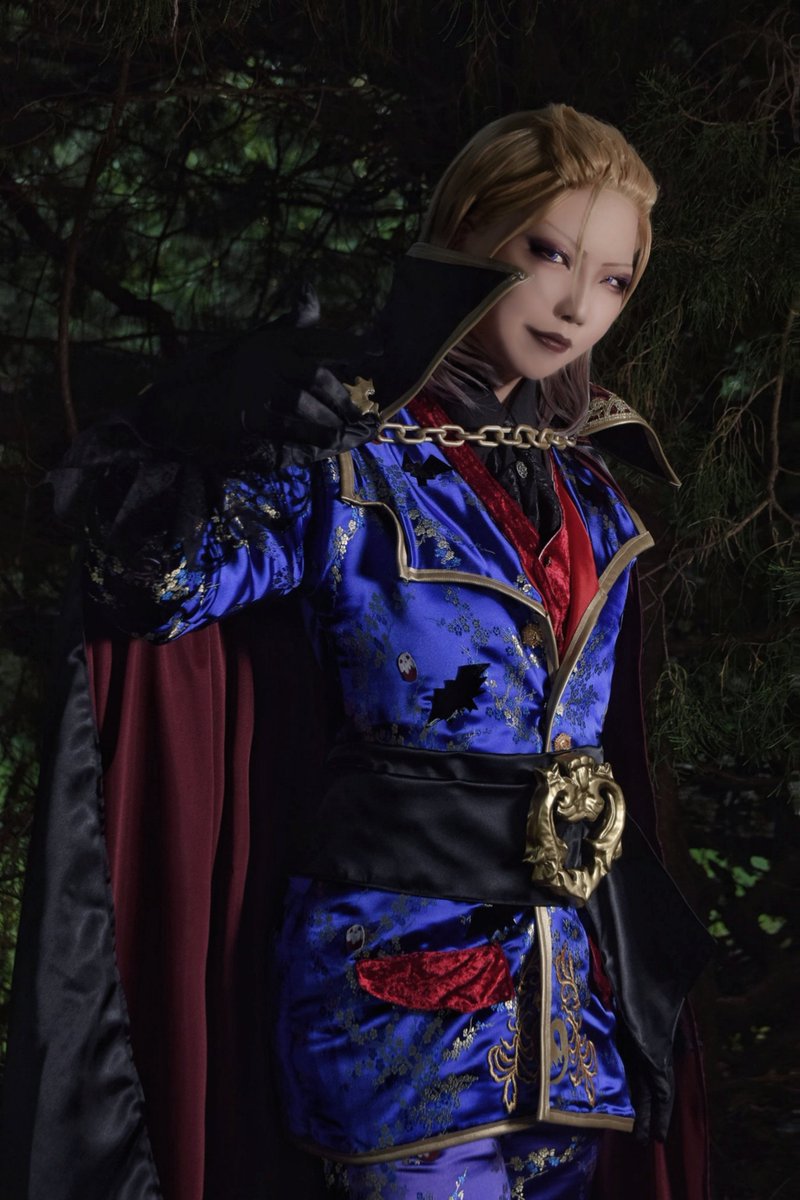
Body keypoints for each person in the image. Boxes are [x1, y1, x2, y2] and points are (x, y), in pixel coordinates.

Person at [1, 105, 712, 1200]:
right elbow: (155, 586)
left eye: (613, 279)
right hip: (395, 1017)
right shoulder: (343, 461)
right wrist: (208, 415)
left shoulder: (587, 485)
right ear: (467, 233)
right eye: (549, 253)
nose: (578, 306)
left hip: (572, 1026)